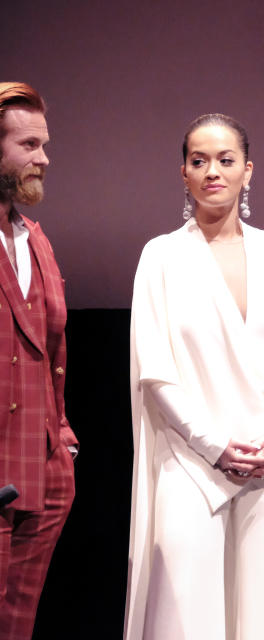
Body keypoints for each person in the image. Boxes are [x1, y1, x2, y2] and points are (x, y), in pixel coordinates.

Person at [124, 114, 264, 640]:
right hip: (190, 462)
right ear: (184, 173)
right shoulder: (161, 257)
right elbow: (157, 372)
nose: (212, 172)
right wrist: (214, 443)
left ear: (248, 170)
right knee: (185, 614)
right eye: (199, 161)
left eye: (225, 160)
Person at [0, 81, 77, 640]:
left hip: (42, 475)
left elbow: (51, 349)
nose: (44, 159)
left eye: (44, 144)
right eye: (28, 145)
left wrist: (63, 439)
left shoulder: (35, 239)